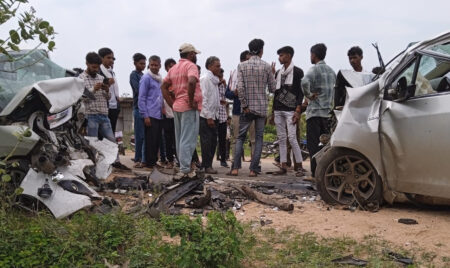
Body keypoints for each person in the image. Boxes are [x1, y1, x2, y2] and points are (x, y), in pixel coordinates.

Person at [229, 38, 276, 177]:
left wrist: (244, 105)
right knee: (259, 138)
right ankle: (253, 170)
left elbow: (241, 88)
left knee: (240, 138)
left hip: (247, 108)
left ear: (250, 50)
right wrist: (272, 75)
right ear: (261, 50)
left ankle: (235, 168)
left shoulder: (242, 66)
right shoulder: (266, 66)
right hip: (261, 108)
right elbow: (273, 88)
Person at [79, 52, 129, 170]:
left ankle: (115, 162)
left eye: (97, 67)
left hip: (104, 114)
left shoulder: (101, 78)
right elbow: (81, 98)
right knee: (93, 143)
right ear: (87, 64)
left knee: (111, 141)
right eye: (93, 67)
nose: (96, 70)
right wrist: (93, 89)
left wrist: (106, 90)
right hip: (91, 115)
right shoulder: (81, 79)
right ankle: (93, 166)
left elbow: (107, 97)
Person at [161, 43, 202, 180]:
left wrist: (172, 104)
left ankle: (183, 166)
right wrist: (190, 101)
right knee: (188, 139)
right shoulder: (191, 66)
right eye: (195, 54)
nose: (195, 56)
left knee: (180, 138)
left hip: (178, 107)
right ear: (190, 54)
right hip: (188, 107)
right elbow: (191, 81)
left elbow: (163, 86)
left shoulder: (174, 68)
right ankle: (185, 169)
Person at [301, 43, 336, 178]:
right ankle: (325, 173)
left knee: (313, 145)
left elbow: (304, 82)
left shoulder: (314, 70)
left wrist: (309, 95)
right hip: (328, 114)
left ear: (314, 55)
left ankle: (315, 173)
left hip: (315, 113)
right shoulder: (331, 71)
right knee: (326, 145)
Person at [271, 46, 305, 176]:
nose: (280, 58)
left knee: (292, 138)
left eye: (282, 55)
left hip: (291, 109)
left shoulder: (298, 72)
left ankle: (299, 166)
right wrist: (273, 111)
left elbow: (300, 92)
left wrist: (298, 109)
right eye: (279, 56)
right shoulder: (278, 73)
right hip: (278, 109)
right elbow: (275, 92)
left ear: (289, 56)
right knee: (281, 138)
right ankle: (283, 165)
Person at [138, 55, 164, 169]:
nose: (154, 67)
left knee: (157, 140)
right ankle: (149, 163)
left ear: (160, 66)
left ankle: (154, 162)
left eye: (156, 65)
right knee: (150, 140)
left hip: (158, 114)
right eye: (152, 65)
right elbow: (141, 97)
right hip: (150, 113)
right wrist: (145, 115)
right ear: (149, 65)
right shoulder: (146, 78)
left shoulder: (159, 79)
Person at [225, 50, 251, 162]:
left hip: (252, 111)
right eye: (248, 60)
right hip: (237, 111)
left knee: (254, 139)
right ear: (242, 61)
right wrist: (234, 93)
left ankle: (255, 166)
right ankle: (236, 163)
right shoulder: (234, 74)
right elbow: (227, 94)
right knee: (236, 138)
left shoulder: (255, 74)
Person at [199, 56, 222, 174]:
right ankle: (206, 166)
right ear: (209, 66)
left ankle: (208, 164)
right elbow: (204, 99)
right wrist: (208, 116)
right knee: (206, 142)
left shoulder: (214, 80)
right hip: (206, 116)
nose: (219, 68)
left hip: (215, 115)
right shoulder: (205, 79)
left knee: (213, 142)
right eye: (217, 66)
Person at [130, 53, 147, 168]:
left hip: (146, 109)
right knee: (139, 135)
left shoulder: (143, 75)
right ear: (135, 63)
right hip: (138, 108)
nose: (143, 65)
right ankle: (137, 158)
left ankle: (143, 158)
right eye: (141, 63)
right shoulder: (134, 75)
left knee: (145, 135)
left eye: (144, 64)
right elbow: (138, 90)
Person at [98, 47, 120, 133]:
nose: (111, 60)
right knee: (103, 133)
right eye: (108, 57)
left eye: (112, 58)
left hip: (114, 105)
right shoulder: (98, 71)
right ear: (101, 58)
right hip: (104, 107)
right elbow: (97, 84)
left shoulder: (111, 71)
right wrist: (107, 82)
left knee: (112, 131)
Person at [162, 58, 177, 169]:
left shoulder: (178, 81)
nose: (171, 68)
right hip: (167, 114)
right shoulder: (165, 81)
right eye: (169, 66)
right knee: (168, 139)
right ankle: (170, 160)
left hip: (178, 114)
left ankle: (180, 160)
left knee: (178, 139)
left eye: (173, 66)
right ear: (166, 68)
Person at [216, 68, 229, 167]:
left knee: (223, 139)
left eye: (222, 75)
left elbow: (228, 96)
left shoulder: (224, 85)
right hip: (214, 115)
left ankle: (223, 159)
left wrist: (225, 85)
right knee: (212, 139)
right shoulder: (213, 83)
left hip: (223, 115)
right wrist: (219, 83)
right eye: (219, 75)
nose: (221, 77)